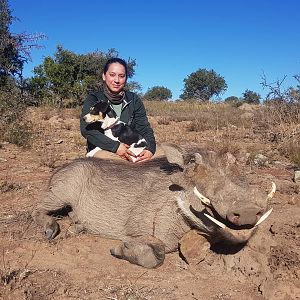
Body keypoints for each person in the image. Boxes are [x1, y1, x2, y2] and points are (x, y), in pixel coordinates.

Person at [80, 57, 156, 163]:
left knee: (161, 156)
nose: (116, 80)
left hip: (132, 148)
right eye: (112, 75)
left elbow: (144, 128)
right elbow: (86, 130)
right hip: (104, 149)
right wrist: (115, 147)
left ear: (126, 78)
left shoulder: (133, 99)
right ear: (104, 76)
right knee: (118, 163)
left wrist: (150, 149)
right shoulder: (94, 98)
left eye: (121, 76)